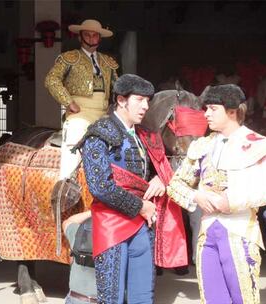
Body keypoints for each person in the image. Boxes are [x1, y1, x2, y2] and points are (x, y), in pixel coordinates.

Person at [167, 84, 266, 303]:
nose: (206, 114)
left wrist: (231, 201)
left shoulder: (259, 145)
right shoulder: (202, 146)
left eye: (213, 109)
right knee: (213, 298)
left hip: (240, 231)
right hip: (208, 233)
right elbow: (175, 185)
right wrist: (197, 197)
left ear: (232, 111)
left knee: (243, 298)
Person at [77, 74, 164, 304]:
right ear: (121, 100)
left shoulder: (144, 135)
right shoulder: (99, 132)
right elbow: (100, 187)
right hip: (112, 222)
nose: (145, 106)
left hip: (142, 222)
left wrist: (159, 179)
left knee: (143, 294)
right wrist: (140, 207)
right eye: (139, 99)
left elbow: (158, 166)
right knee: (112, 296)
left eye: (148, 100)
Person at [45, 19, 118, 180]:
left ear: (100, 38)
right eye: (87, 35)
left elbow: (118, 88)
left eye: (95, 35)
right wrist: (69, 102)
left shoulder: (108, 62)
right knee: (74, 138)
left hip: (104, 113)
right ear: (80, 37)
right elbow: (52, 79)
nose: (92, 38)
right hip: (80, 112)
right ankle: (66, 185)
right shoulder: (69, 58)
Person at [62, 210, 96, 304]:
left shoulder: (77, 232)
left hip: (76, 299)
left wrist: (94, 211)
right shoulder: (123, 238)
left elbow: (67, 222)